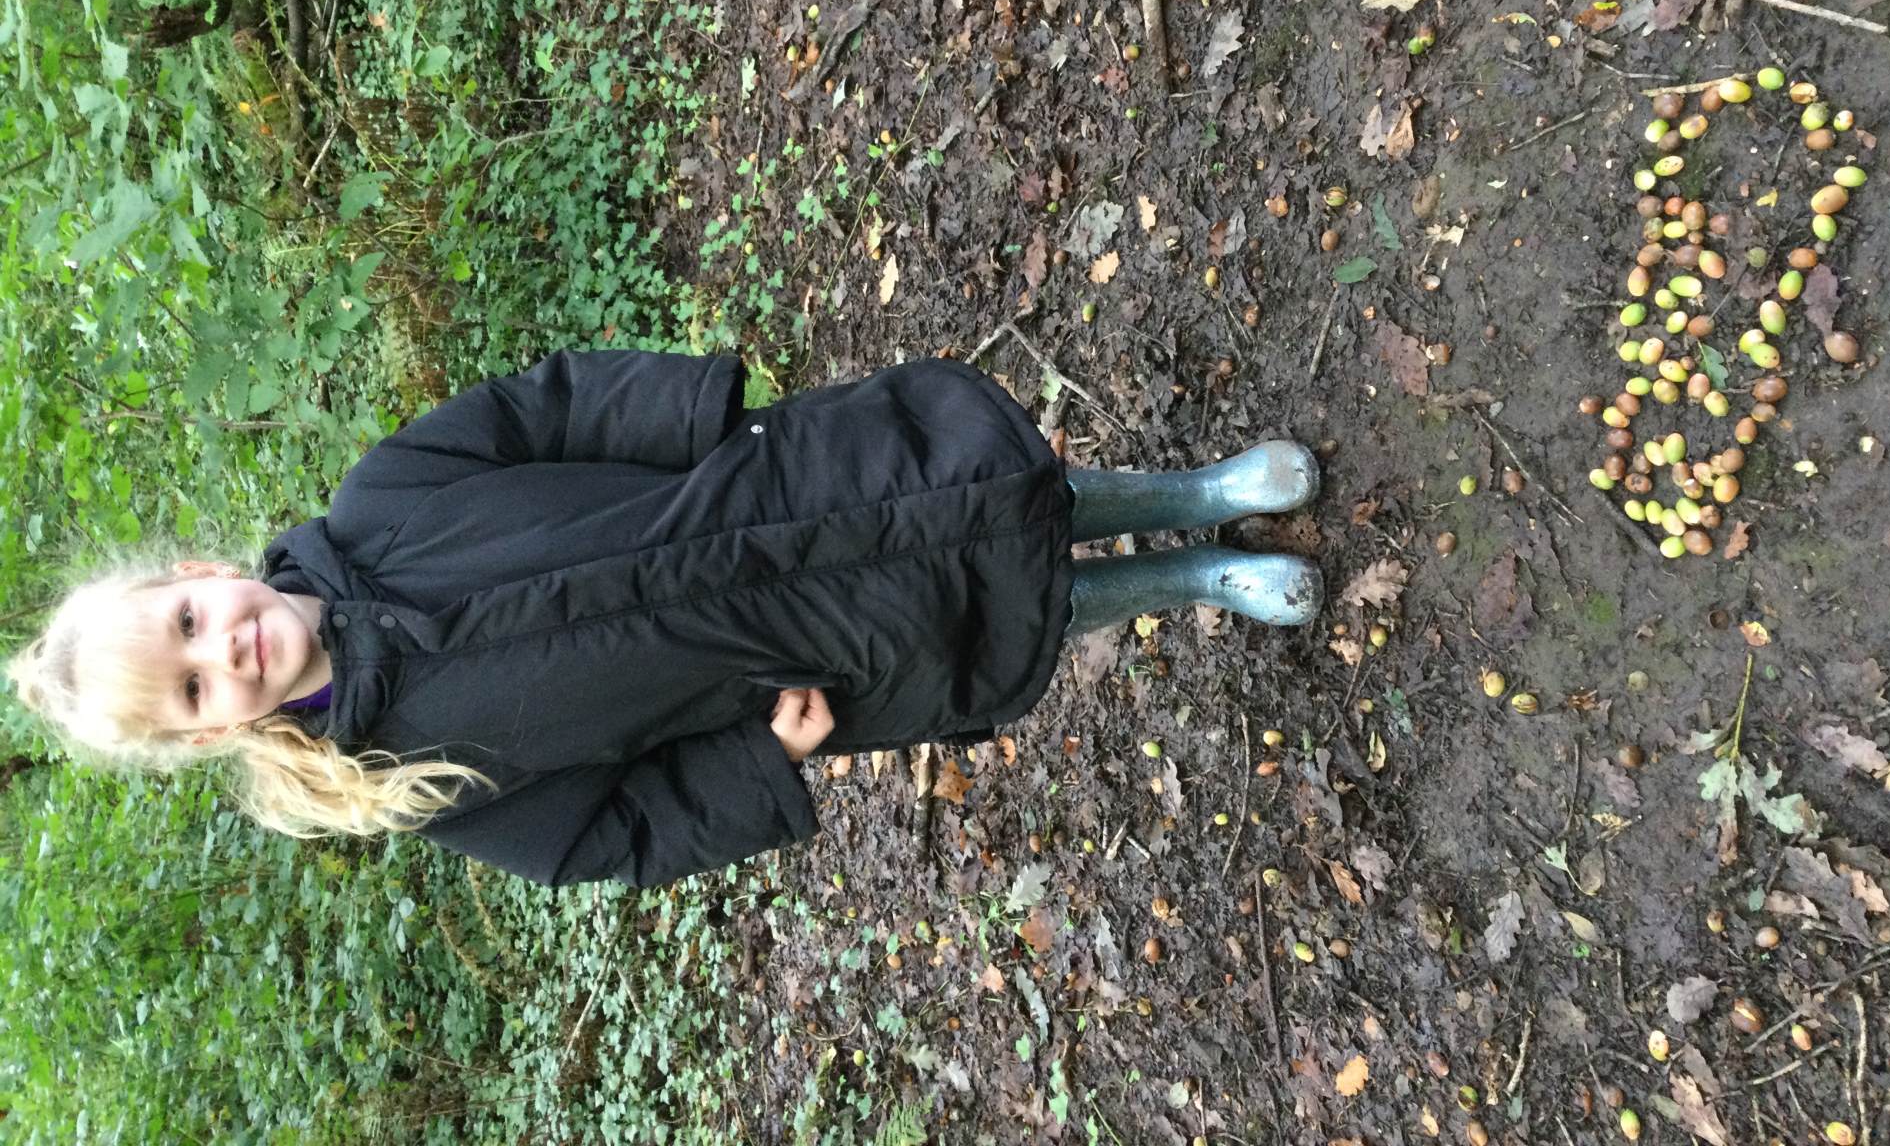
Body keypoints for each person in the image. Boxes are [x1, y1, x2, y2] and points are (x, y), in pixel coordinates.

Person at [8, 349, 1320, 889]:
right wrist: (758, 765)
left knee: (1000, 488)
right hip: (801, 656)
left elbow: (543, 410)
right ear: (209, 734)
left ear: (198, 573)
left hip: (762, 496)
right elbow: (612, 836)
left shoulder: (381, 500)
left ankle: (1197, 493)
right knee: (1009, 608)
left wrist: (696, 419)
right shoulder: (407, 782)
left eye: (189, 621)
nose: (221, 649)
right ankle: (1198, 582)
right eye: (193, 686)